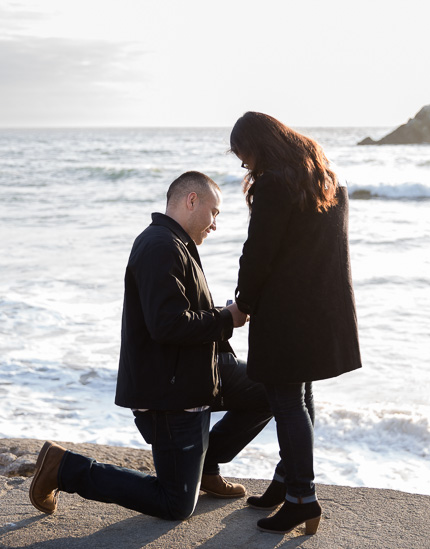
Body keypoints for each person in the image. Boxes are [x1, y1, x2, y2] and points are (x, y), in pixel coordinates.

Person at [29, 171, 272, 520]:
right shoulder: (160, 246)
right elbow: (168, 324)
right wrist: (225, 319)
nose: (215, 224)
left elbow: (179, 314)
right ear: (192, 200)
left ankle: (206, 465)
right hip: (170, 393)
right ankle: (64, 468)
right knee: (174, 504)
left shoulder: (174, 243)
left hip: (196, 371)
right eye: (214, 212)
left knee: (271, 388)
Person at [228, 112, 361, 535]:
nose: (244, 165)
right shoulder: (326, 179)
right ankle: (288, 483)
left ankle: (302, 498)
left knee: (286, 400)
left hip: (286, 312)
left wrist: (243, 303)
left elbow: (259, 252)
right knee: (299, 396)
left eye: (243, 155)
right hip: (322, 309)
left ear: (259, 145)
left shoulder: (275, 184)